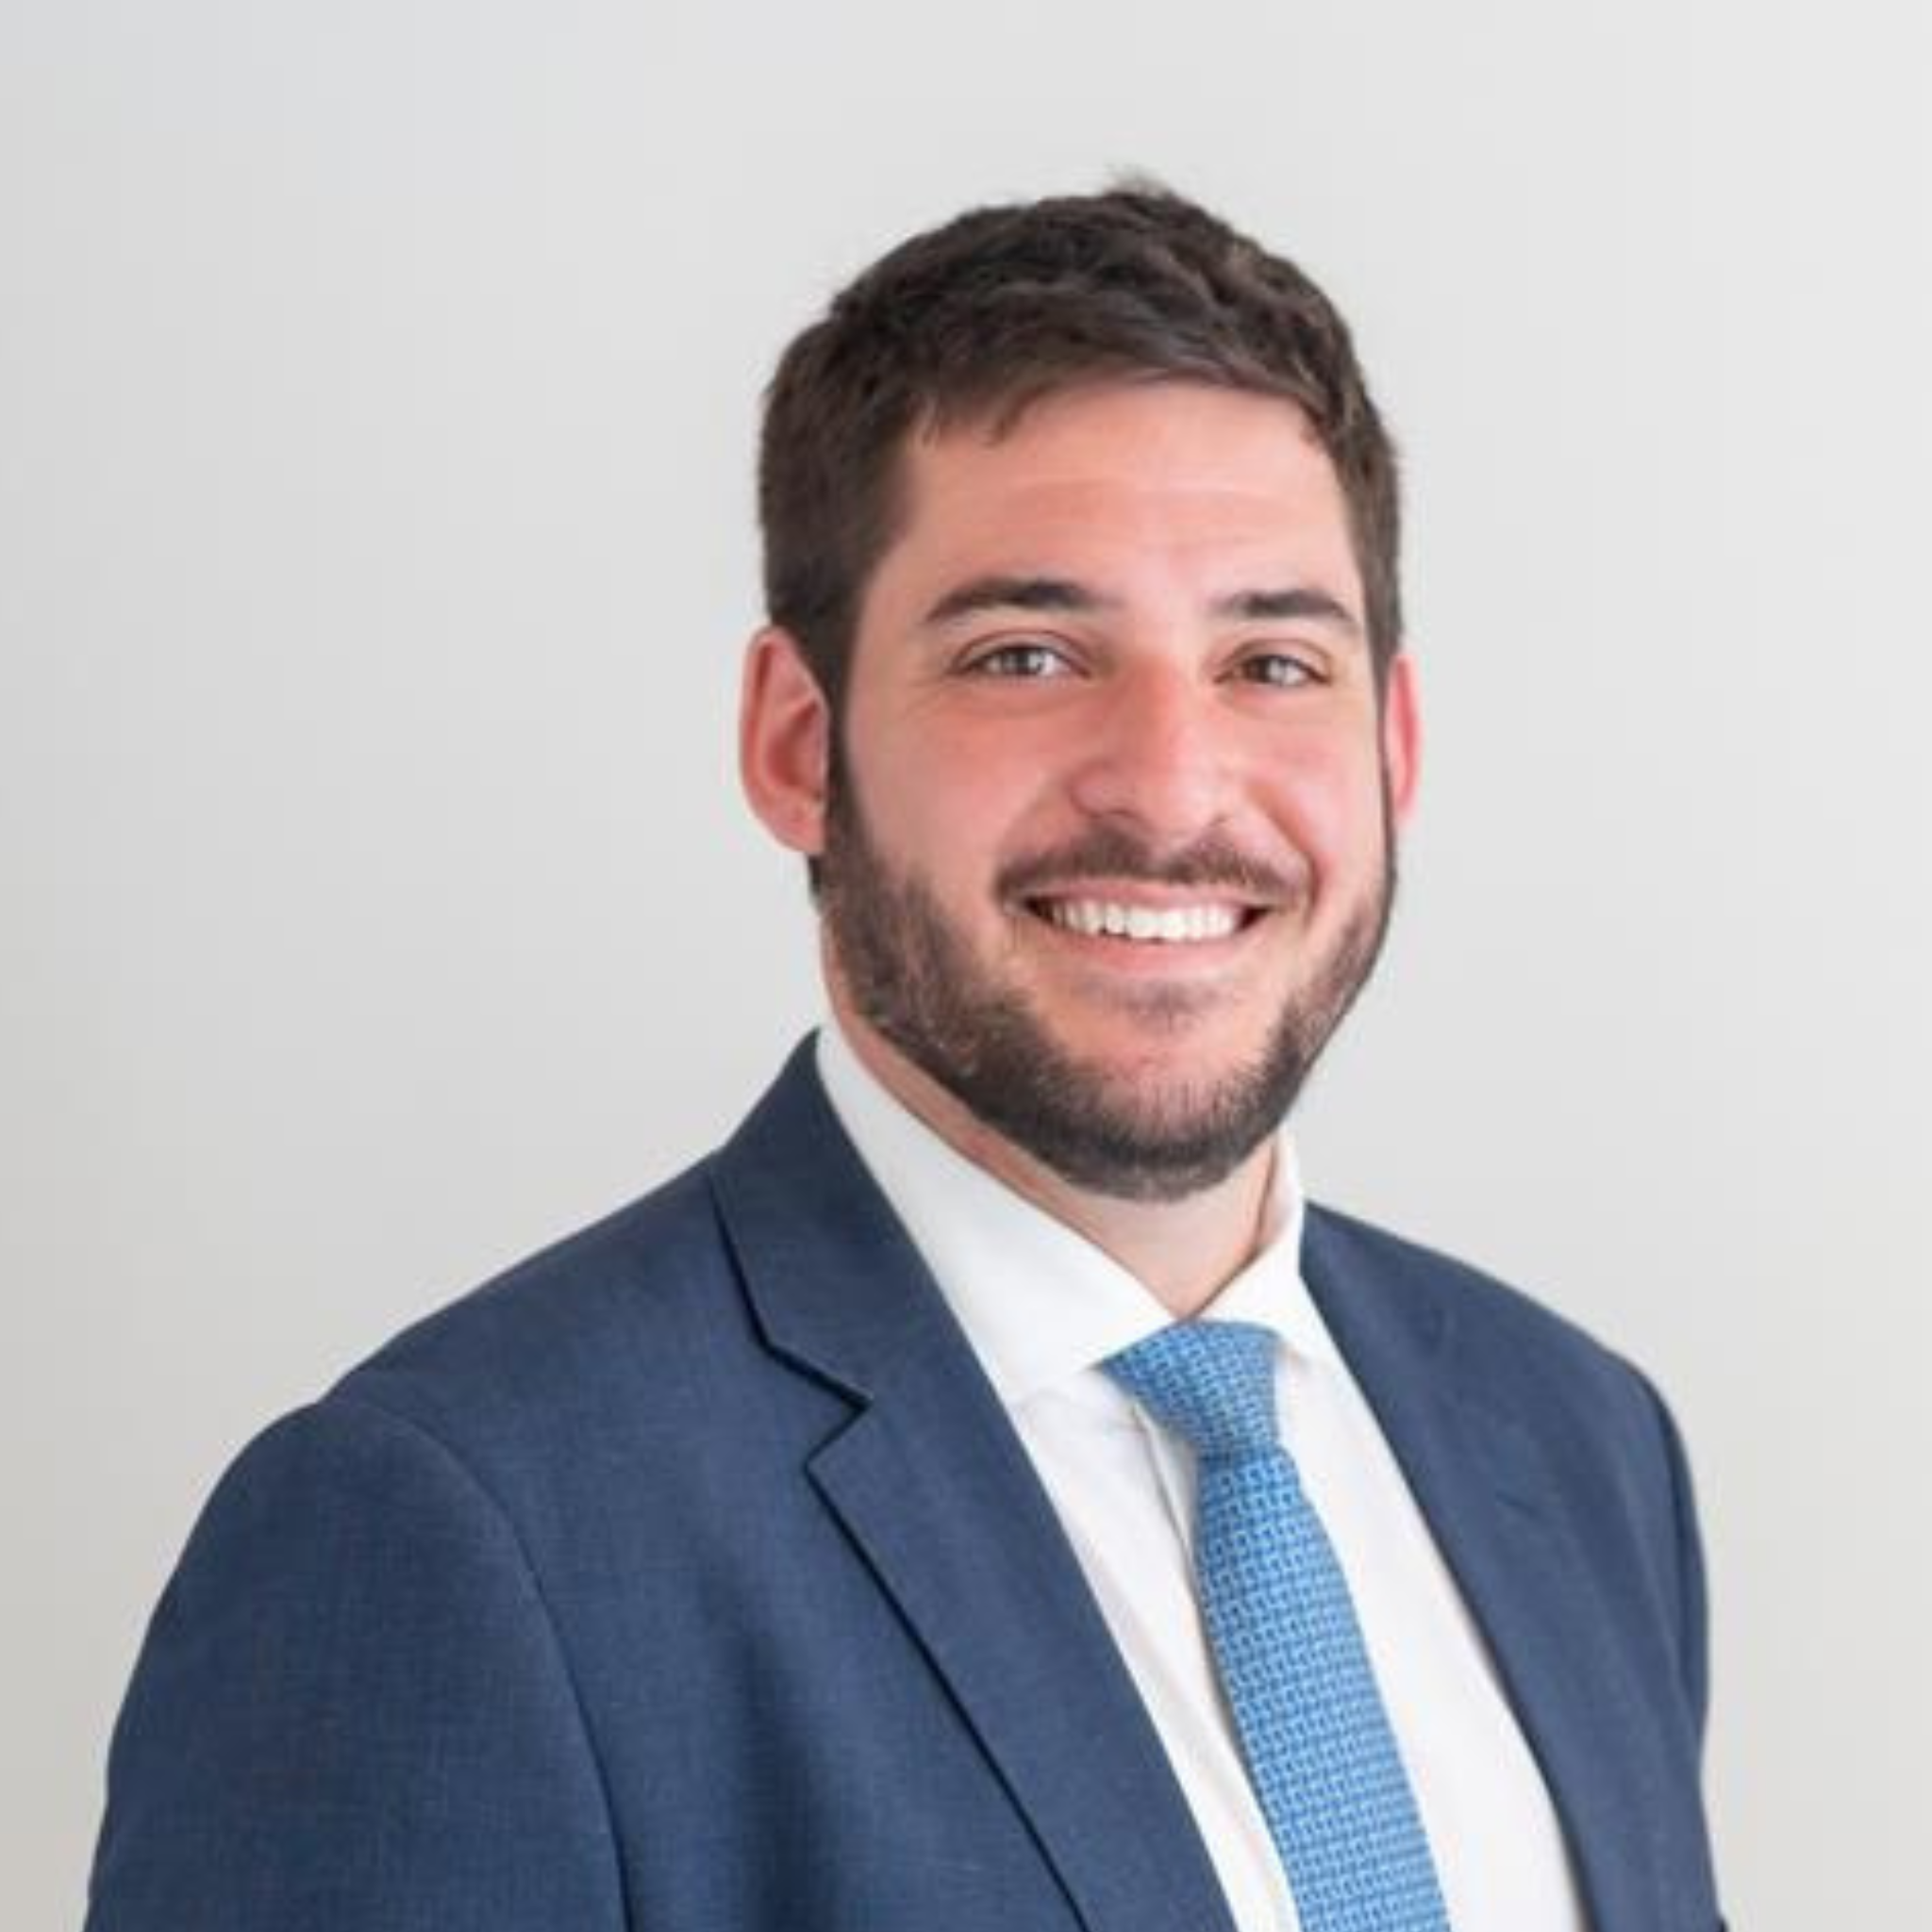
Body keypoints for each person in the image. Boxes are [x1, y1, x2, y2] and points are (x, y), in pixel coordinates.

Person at [86, 187, 1725, 1932]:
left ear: (1392, 747)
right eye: (1027, 654)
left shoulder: (1578, 1445)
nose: (1173, 785)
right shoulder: (458, 1538)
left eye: (1271, 661)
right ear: (801, 746)